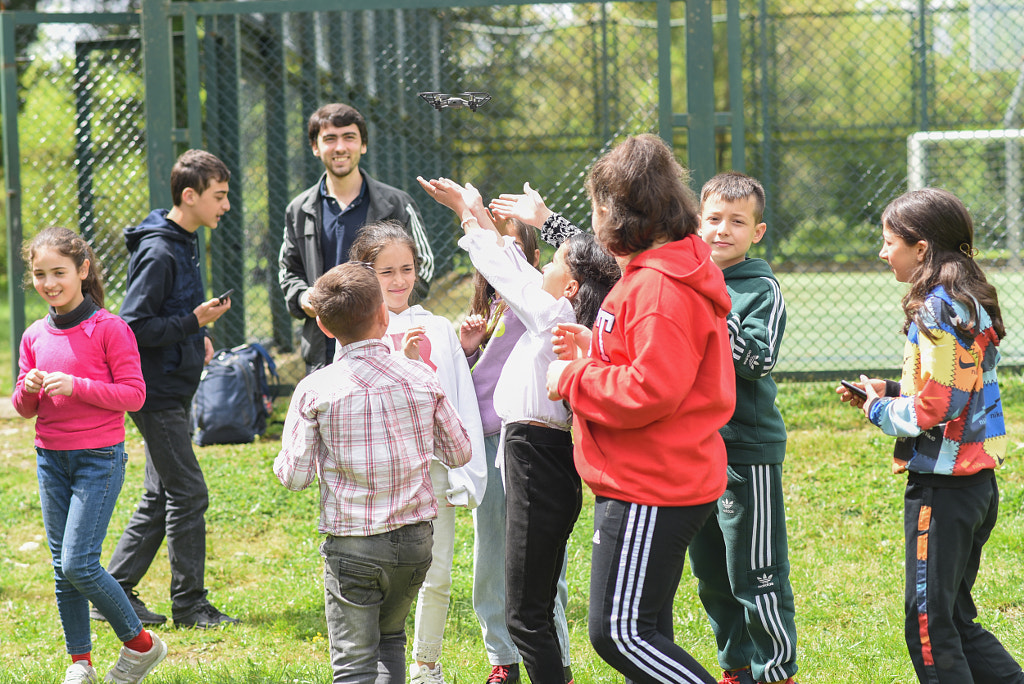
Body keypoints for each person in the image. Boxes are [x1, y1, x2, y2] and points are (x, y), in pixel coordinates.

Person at [545, 134, 736, 684]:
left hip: (650, 483)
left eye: (597, 207)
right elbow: (656, 363)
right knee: (648, 628)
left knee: (620, 632)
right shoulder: (659, 272)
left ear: (619, 214)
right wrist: (597, 350)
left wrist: (574, 375)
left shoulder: (657, 286)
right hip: (653, 475)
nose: (594, 218)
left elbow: (650, 391)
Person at [418, 174, 620, 684]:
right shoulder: (569, 312)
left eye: (552, 263)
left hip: (536, 456)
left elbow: (505, 268)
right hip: (541, 456)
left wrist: (470, 213)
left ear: (570, 287)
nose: (542, 266)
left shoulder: (554, 315)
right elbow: (521, 266)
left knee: (525, 613)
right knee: (531, 601)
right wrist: (509, 218)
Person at [836, 188, 1024, 684]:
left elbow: (934, 408)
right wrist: (891, 389)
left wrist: (878, 407)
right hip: (977, 488)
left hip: (943, 491)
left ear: (921, 249)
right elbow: (961, 388)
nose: (882, 253)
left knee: (929, 628)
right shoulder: (968, 303)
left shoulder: (935, 311)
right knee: (957, 620)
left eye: (888, 242)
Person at [274, 262, 473, 684]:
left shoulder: (316, 390)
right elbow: (460, 452)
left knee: (352, 665)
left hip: (354, 548)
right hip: (417, 544)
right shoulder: (421, 377)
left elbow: (294, 477)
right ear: (385, 316)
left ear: (325, 329)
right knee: (390, 640)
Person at [11, 227, 166, 684]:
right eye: (40, 274)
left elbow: (134, 395)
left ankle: (141, 646)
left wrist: (78, 386)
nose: (49, 283)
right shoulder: (34, 334)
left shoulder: (109, 328)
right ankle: (81, 663)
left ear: (83, 270)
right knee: (63, 571)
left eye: (58, 272)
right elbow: (22, 408)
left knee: (79, 563)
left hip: (98, 458)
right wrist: (29, 388)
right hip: (49, 459)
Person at [97, 149, 238, 630]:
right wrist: (189, 322)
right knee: (189, 492)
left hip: (171, 382)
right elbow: (132, 326)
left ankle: (112, 592)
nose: (225, 205)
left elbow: (170, 316)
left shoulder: (183, 239)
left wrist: (195, 334)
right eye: (219, 197)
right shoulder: (160, 249)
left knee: (161, 495)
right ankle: (190, 605)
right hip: (153, 391)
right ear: (190, 195)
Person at [342, 220, 487, 684]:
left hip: (434, 473)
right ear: (365, 274)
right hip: (378, 478)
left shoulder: (437, 326)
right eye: (387, 272)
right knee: (384, 573)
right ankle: (375, 663)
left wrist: (461, 352)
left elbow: (457, 397)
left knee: (437, 572)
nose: (400, 281)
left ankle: (426, 665)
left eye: (406, 269)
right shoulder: (353, 333)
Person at [687, 172, 798, 684]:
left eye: (737, 221)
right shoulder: (685, 280)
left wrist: (713, 300)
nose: (722, 231)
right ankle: (735, 668)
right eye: (713, 220)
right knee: (711, 573)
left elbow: (756, 359)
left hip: (744, 450)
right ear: (696, 223)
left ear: (758, 231)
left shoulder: (760, 287)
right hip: (691, 449)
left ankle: (773, 670)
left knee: (754, 572)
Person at [459, 219, 573, 684]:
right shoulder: (481, 312)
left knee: (544, 564)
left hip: (533, 444)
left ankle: (555, 656)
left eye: (514, 245)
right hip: (488, 442)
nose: (503, 251)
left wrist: (475, 218)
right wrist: (468, 347)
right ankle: (502, 658)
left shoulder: (546, 307)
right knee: (492, 555)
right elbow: (459, 381)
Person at [279, 102, 435, 373]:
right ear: (315, 147)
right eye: (329, 139)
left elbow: (425, 266)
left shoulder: (397, 203)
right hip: (324, 351)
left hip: (389, 348)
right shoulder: (298, 210)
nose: (340, 147)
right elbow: (289, 273)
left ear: (363, 145)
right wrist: (304, 298)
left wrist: (382, 304)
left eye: (349, 137)